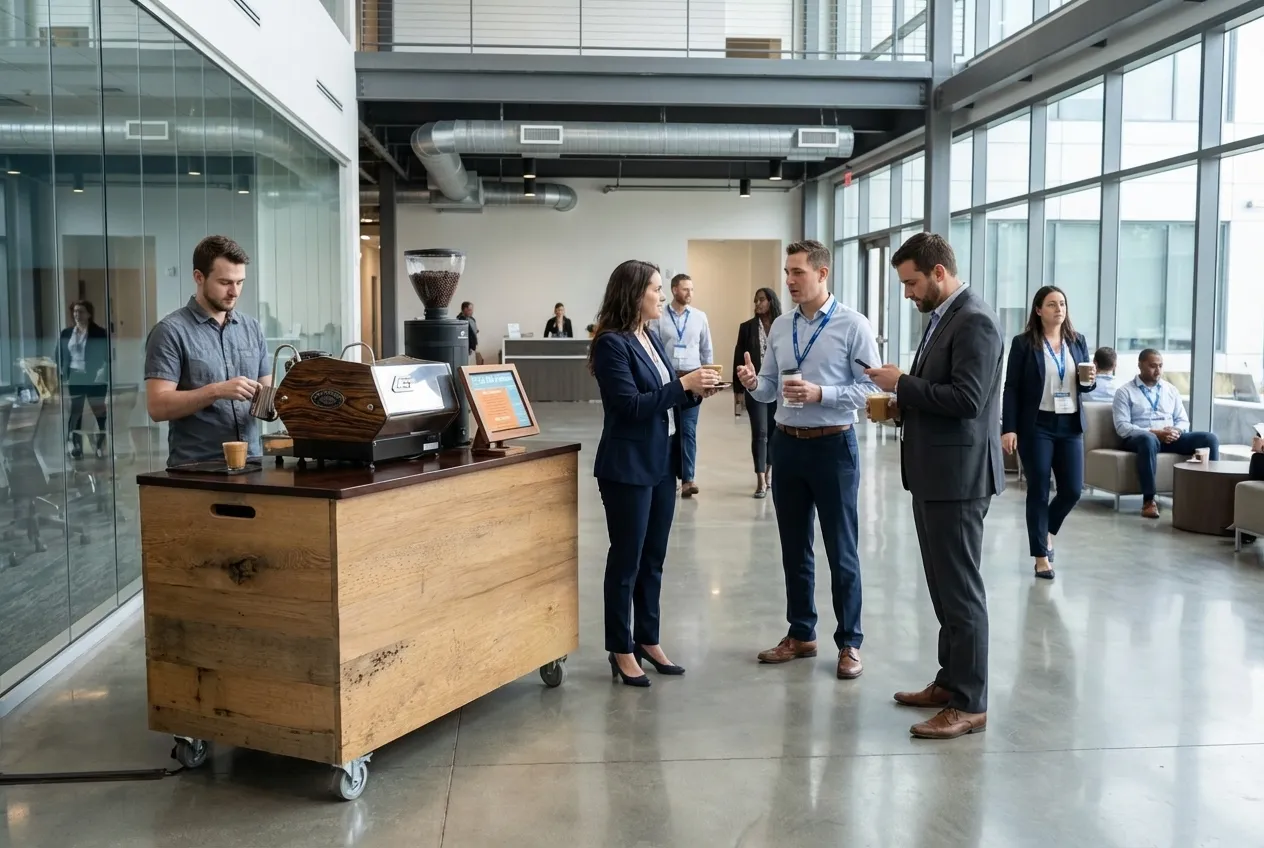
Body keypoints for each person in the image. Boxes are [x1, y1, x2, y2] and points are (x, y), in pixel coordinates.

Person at [865, 232, 1004, 741]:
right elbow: (944, 393)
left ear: (939, 273)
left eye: (912, 282)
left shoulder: (976, 322)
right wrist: (905, 401)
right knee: (944, 589)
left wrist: (901, 383)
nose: (908, 293)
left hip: (959, 479)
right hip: (935, 473)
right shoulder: (945, 319)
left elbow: (968, 400)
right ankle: (950, 682)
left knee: (961, 591)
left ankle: (970, 702)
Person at [736, 240, 880, 681]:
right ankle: (801, 633)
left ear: (822, 274)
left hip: (834, 446)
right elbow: (769, 389)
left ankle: (850, 643)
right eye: (787, 272)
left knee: (842, 549)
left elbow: (872, 390)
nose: (789, 280)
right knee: (794, 546)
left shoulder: (854, 326)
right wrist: (751, 383)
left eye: (797, 272)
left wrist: (824, 394)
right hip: (788, 445)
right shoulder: (781, 326)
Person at [590, 260, 720, 687]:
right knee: (626, 560)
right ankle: (620, 646)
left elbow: (668, 396)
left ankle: (648, 638)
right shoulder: (612, 343)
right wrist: (682, 386)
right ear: (634, 294)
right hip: (627, 466)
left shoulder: (650, 337)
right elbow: (629, 407)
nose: (662, 297)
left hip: (662, 460)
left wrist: (697, 390)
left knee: (654, 558)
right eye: (656, 290)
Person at [144, 235, 270, 468]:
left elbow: (267, 402)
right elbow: (157, 407)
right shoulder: (169, 332)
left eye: (240, 282)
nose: (234, 292)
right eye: (225, 283)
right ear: (198, 277)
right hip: (196, 468)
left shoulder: (252, 328)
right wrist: (216, 391)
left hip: (253, 463)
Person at [1000, 286, 1096, 581]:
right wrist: (1009, 428)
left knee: (1072, 490)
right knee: (1039, 489)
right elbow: (1012, 387)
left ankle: (1047, 530)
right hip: (1037, 425)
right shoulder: (1024, 344)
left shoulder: (1077, 341)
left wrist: (1090, 381)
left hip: (1069, 425)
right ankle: (1041, 556)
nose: (1059, 309)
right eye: (1052, 304)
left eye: (1063, 304)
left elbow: (1084, 384)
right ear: (1038, 310)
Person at [1113, 349, 1220, 519]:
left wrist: (1176, 431)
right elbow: (1122, 427)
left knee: (1209, 439)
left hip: (1170, 437)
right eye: (1152, 366)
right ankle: (1148, 501)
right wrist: (1156, 432)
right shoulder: (1125, 392)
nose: (1158, 370)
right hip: (1139, 438)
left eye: (1160, 366)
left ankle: (1213, 497)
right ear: (1140, 365)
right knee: (1148, 440)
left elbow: (1183, 420)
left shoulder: (1170, 390)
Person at [650, 274, 713, 498]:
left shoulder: (699, 317)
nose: (690, 293)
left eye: (692, 289)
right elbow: (655, 349)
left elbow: (706, 350)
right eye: (686, 289)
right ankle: (669, 475)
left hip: (694, 379)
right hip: (669, 381)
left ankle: (688, 479)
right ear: (674, 289)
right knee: (669, 429)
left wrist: (709, 378)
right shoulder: (658, 318)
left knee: (688, 430)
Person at [733, 287, 782, 498]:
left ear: (771, 301)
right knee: (760, 433)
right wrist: (738, 390)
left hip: (778, 387)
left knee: (773, 432)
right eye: (755, 301)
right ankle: (760, 479)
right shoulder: (747, 328)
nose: (758, 304)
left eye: (761, 300)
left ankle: (769, 472)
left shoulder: (783, 326)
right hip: (754, 387)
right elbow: (738, 358)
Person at [58, 300, 110, 459]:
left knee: (99, 411)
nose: (77, 315)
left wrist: (103, 373)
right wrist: (62, 372)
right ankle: (76, 445)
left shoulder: (99, 333)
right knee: (76, 411)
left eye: (80, 311)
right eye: (74, 311)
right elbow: (59, 353)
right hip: (75, 376)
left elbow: (106, 356)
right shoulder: (66, 333)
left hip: (94, 376)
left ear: (88, 314)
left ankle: (100, 444)